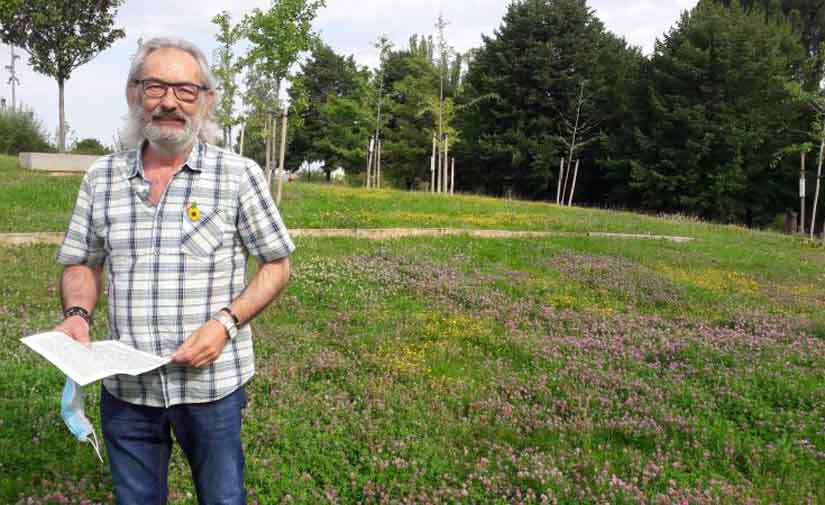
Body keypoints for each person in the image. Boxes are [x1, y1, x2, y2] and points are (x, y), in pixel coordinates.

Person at [54, 37, 294, 505]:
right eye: (155, 87)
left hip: (212, 387)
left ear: (205, 100)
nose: (169, 102)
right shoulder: (102, 177)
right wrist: (78, 313)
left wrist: (225, 324)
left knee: (222, 498)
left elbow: (276, 264)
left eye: (185, 90)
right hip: (127, 390)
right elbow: (83, 259)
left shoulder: (238, 175)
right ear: (132, 94)